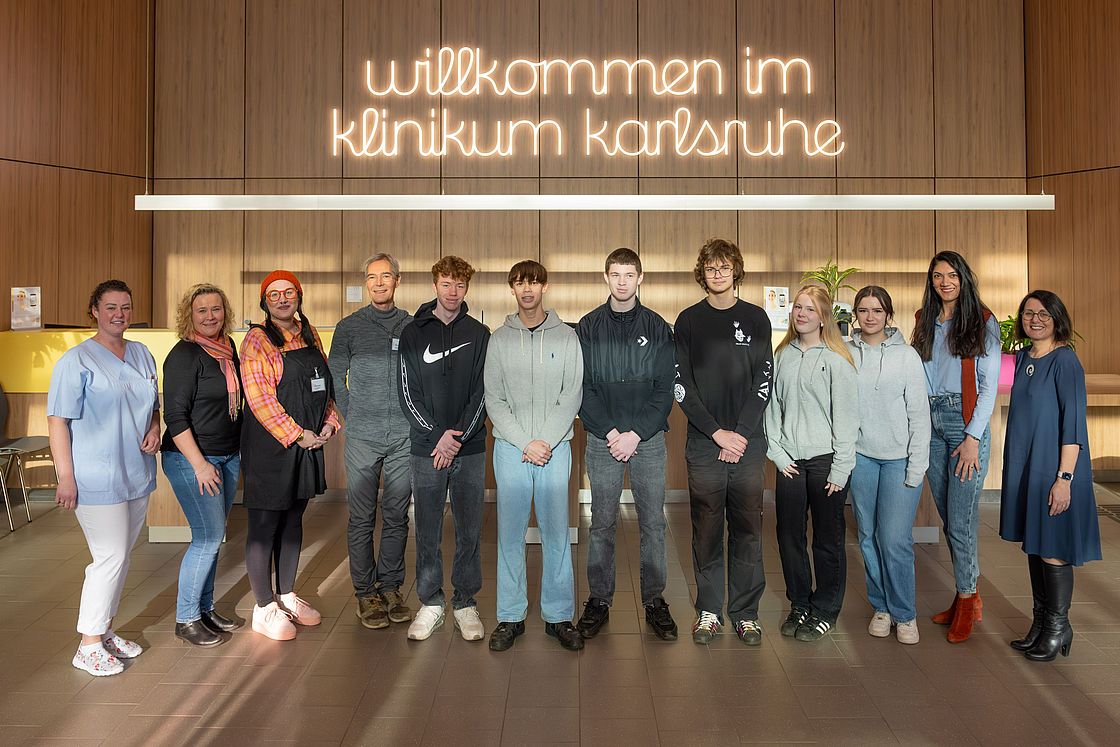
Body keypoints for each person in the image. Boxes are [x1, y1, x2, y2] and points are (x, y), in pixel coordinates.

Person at [47, 280, 160, 676]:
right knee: (108, 557)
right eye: (110, 306)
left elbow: (152, 404)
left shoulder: (143, 354)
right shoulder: (75, 361)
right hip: (95, 474)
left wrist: (155, 427)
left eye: (126, 307)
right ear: (94, 310)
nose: (119, 314)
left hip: (136, 470)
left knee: (121, 556)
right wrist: (65, 477)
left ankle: (106, 629)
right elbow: (58, 421)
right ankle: (88, 642)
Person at [673, 239, 772, 646]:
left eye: (724, 267)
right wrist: (717, 433)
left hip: (748, 445)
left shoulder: (756, 318)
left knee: (748, 528)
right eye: (711, 268)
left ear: (736, 270)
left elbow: (764, 381)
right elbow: (681, 386)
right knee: (707, 528)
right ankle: (709, 611)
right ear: (703, 273)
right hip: (705, 445)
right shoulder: (688, 321)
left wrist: (740, 436)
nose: (718, 274)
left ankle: (746, 614)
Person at [576, 247, 678, 641]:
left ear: (640, 278)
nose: (622, 281)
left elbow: (664, 390)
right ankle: (599, 600)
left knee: (653, 524)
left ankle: (654, 600)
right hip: (604, 441)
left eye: (628, 274)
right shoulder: (587, 327)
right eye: (615, 274)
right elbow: (582, 388)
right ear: (606, 278)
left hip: (648, 440)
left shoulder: (657, 328)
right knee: (601, 524)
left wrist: (635, 433)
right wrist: (612, 433)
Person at [485, 260, 584, 652]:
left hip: (555, 449)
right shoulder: (499, 339)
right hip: (512, 450)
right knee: (509, 535)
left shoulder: (566, 337)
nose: (527, 290)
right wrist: (526, 441)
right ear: (512, 289)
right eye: (519, 283)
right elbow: (494, 398)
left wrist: (544, 440)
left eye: (533, 283)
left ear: (544, 287)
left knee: (557, 535)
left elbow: (571, 393)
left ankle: (559, 616)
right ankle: (510, 616)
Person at [1000, 291, 1101, 661]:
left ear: (1057, 318)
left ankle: (1058, 627)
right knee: (1036, 546)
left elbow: (1073, 427)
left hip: (1054, 469)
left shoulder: (1066, 361)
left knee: (1054, 550)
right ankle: (1041, 623)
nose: (1035, 319)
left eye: (1043, 313)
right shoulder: (1025, 357)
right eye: (1028, 313)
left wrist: (1064, 479)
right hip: (1027, 467)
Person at [240, 270, 341, 641]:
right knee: (265, 526)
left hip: (309, 442)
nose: (282, 299)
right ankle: (263, 607)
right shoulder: (257, 340)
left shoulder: (310, 334)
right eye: (274, 295)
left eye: (289, 293)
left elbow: (324, 385)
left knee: (294, 519)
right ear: (264, 302)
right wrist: (299, 434)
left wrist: (330, 421)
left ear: (299, 296)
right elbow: (260, 399)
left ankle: (286, 595)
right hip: (273, 446)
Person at [398, 256, 490, 642]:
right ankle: (432, 602)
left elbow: (484, 393)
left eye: (460, 286)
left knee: (470, 528)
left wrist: (456, 439)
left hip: (468, 450)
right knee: (429, 529)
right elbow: (407, 392)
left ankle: (466, 602)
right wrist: (438, 436)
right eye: (446, 284)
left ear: (467, 288)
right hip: (426, 449)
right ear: (435, 284)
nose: (453, 293)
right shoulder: (412, 333)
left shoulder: (480, 333)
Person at [910, 251, 1000, 643]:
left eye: (951, 275)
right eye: (937, 276)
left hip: (964, 425)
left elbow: (988, 387)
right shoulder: (924, 320)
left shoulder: (982, 321)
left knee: (961, 523)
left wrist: (972, 439)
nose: (944, 282)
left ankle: (967, 599)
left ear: (964, 278)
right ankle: (970, 595)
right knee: (950, 519)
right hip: (931, 423)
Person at [766, 285, 858, 642]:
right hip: (790, 460)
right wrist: (777, 452)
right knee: (788, 535)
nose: (801, 313)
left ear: (823, 318)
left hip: (826, 461)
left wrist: (841, 467)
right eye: (797, 307)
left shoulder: (838, 359)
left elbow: (848, 419)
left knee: (827, 539)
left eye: (809, 309)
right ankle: (800, 604)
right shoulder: (782, 355)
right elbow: (772, 408)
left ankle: (825, 609)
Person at [328, 253, 414, 630]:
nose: (379, 283)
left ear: (398, 280)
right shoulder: (349, 327)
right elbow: (335, 375)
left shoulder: (414, 326)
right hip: (363, 437)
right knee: (362, 517)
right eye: (372, 277)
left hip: (403, 438)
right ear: (366, 283)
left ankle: (392, 587)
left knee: (396, 516)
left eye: (386, 277)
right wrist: (352, 414)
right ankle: (365, 593)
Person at [162, 284, 244, 647]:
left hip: (226, 456)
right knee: (208, 538)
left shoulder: (228, 352)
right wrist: (199, 465)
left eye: (216, 309)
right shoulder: (184, 355)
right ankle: (186, 618)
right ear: (189, 315)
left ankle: (206, 609)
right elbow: (175, 417)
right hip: (192, 460)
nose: (210, 316)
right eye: (202, 311)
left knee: (215, 537)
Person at [848, 286, 930, 645]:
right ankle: (881, 607)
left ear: (888, 315)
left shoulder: (906, 356)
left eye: (877, 311)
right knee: (867, 537)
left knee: (894, 539)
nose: (870, 317)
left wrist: (917, 466)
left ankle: (905, 613)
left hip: (899, 460)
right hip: (861, 458)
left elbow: (919, 414)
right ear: (855, 314)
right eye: (863, 310)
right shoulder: (845, 353)